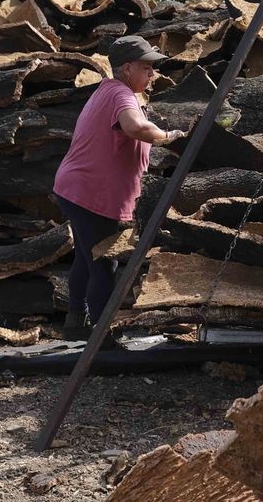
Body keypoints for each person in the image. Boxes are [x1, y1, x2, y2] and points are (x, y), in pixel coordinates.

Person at [53, 35, 184, 339]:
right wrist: (169, 136)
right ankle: (101, 337)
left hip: (81, 190)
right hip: (88, 194)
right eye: (146, 67)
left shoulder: (114, 92)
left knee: (87, 258)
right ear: (127, 68)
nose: (153, 73)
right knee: (102, 262)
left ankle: (75, 323)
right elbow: (134, 127)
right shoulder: (120, 95)